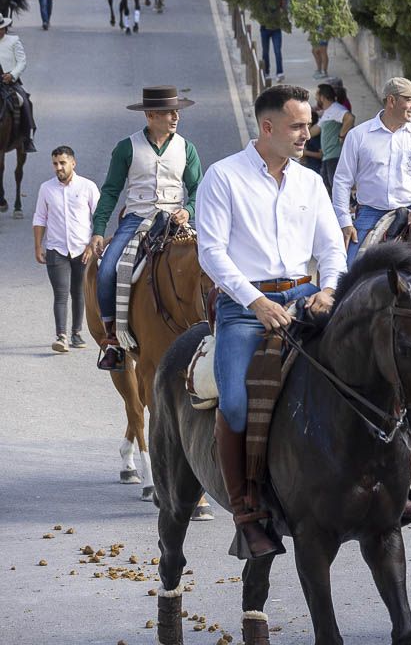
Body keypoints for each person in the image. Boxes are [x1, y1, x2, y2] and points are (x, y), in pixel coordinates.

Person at [195, 84, 346, 559]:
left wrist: (330, 288)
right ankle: (246, 510)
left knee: (370, 364)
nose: (308, 133)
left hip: (307, 298)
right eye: (299, 125)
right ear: (267, 127)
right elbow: (211, 253)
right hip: (244, 309)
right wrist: (256, 302)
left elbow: (331, 248)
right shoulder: (223, 178)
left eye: (308, 125)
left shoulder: (311, 181)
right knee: (236, 403)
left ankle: (384, 482)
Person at [89, 86, 201, 371]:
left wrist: (187, 211)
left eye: (177, 112)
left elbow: (199, 189)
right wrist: (99, 229)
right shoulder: (127, 147)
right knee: (106, 270)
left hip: (175, 221)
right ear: (151, 115)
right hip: (137, 220)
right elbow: (111, 190)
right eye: (169, 112)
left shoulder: (186, 148)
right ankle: (113, 338)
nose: (176, 117)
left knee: (210, 266)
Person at [332, 77, 411, 262]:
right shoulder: (358, 136)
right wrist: (345, 223)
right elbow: (342, 181)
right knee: (348, 270)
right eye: (409, 99)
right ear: (391, 101)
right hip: (369, 214)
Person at [32, 145, 99, 353]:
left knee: (78, 292)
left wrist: (91, 246)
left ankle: (76, 333)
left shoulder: (87, 187)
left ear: (73, 163)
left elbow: (99, 217)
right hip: (56, 249)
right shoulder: (46, 188)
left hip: (82, 250)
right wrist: (38, 246)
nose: (58, 167)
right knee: (60, 294)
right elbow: (40, 217)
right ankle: (61, 336)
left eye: (62, 163)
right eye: (55, 164)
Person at [0, 14, 35, 151]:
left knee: (24, 101)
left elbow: (22, 62)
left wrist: (12, 75)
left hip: (9, 82)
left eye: (2, 28)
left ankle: (26, 137)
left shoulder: (13, 41)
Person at [314, 82, 352, 193]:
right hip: (328, 157)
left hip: (335, 156)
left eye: (316, 95)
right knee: (328, 189)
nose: (315, 98)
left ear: (322, 97)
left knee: (338, 190)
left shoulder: (336, 109)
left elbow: (349, 118)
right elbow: (315, 130)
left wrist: (341, 135)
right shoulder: (328, 112)